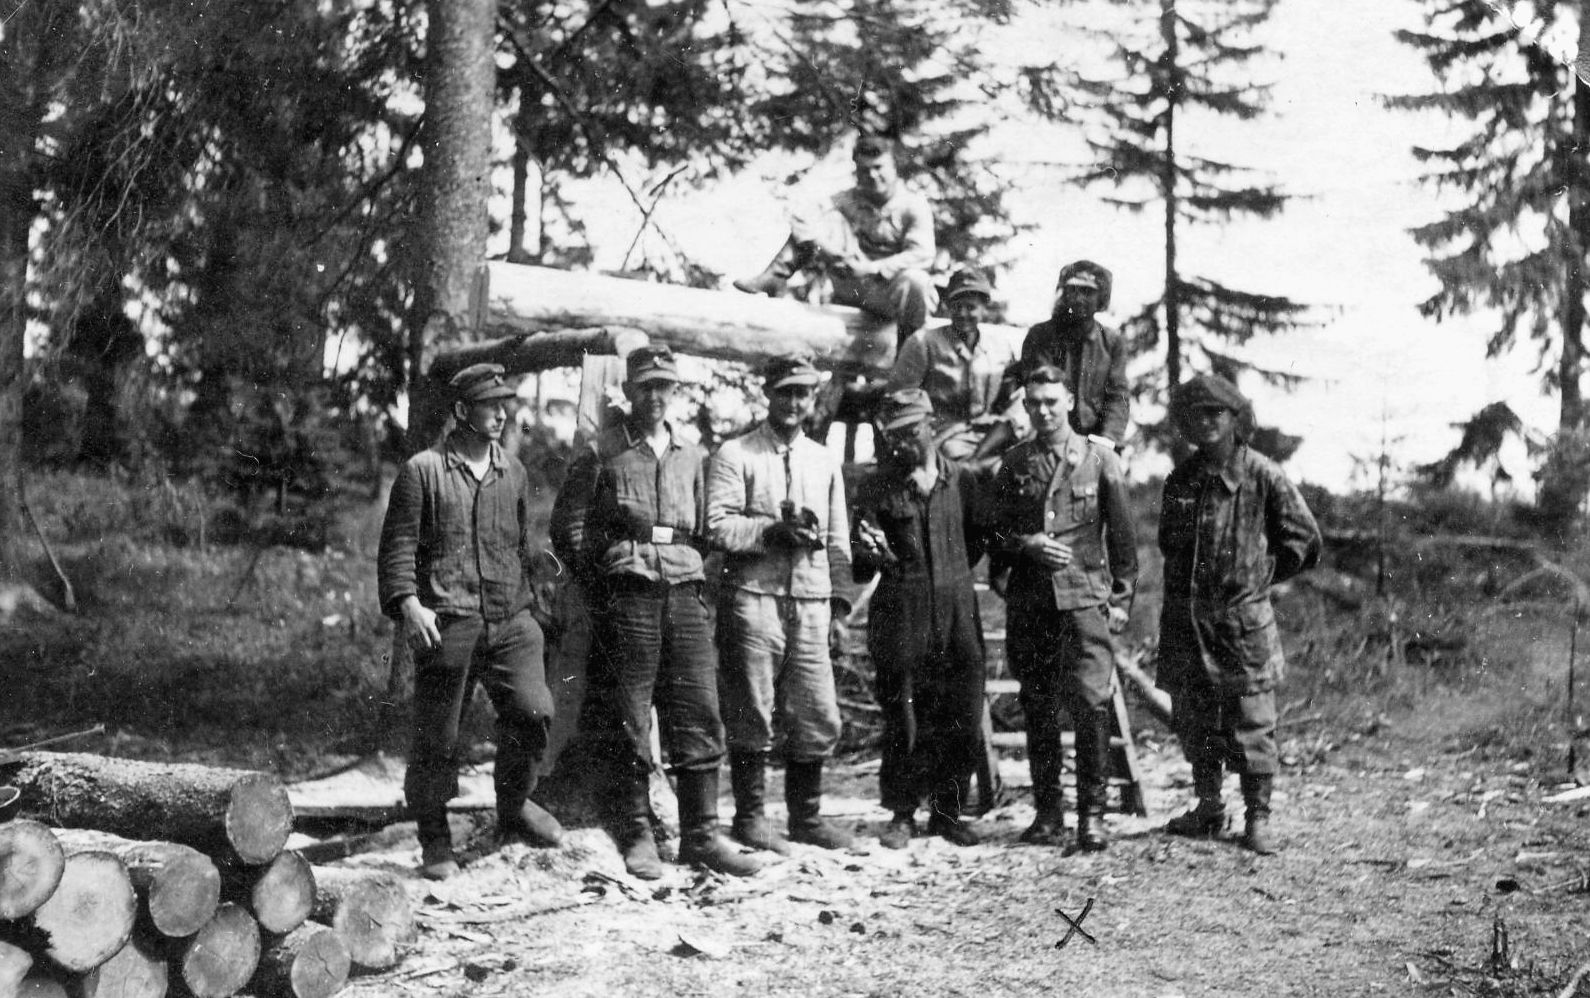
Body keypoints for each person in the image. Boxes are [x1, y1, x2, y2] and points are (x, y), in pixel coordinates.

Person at [549, 346, 760, 880]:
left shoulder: (692, 455)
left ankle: (702, 835)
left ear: (675, 392)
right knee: (630, 714)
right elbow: (568, 528)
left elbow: (706, 534)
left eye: (666, 386)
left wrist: (684, 567)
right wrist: (604, 583)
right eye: (646, 386)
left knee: (698, 707)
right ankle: (638, 830)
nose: (656, 396)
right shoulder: (603, 452)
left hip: (685, 591)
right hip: (629, 594)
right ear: (629, 391)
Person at [377, 363, 563, 881]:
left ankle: (513, 807)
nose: (502, 413)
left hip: (510, 616)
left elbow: (522, 544)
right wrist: (409, 604)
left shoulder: (515, 473)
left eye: (505, 403)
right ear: (462, 411)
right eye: (489, 404)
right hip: (448, 619)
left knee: (534, 709)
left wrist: (539, 596)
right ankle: (434, 839)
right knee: (439, 737)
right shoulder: (424, 471)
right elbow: (397, 550)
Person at [1156, 373, 1321, 855]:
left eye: (1217, 414)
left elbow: (1304, 540)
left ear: (1235, 419)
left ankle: (1257, 817)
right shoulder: (1180, 480)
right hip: (1188, 623)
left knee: (1252, 722)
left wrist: (1259, 577)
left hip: (1241, 624)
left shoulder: (1262, 474)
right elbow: (1170, 546)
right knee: (1193, 718)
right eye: (1197, 415)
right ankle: (1209, 806)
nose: (1206, 423)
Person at [706, 355, 857, 854]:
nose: (794, 403)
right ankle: (751, 817)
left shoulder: (823, 458)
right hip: (754, 597)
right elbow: (717, 525)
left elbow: (837, 537)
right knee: (752, 705)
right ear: (767, 395)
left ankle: (806, 817)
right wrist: (767, 531)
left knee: (815, 708)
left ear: (813, 400)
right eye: (785, 392)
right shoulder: (737, 454)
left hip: (812, 600)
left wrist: (839, 605)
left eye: (803, 394)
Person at [986, 366, 1138, 852]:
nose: (1043, 411)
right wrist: (1026, 543)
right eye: (1034, 403)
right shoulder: (1013, 463)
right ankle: (1048, 813)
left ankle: (1090, 817)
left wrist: (1120, 601)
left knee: (1092, 704)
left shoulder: (1099, 460)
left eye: (1052, 401)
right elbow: (995, 538)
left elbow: (1125, 541)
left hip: (1084, 602)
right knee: (1038, 703)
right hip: (1031, 603)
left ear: (1069, 401)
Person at [850, 389, 986, 848]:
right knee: (903, 711)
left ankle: (948, 812)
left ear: (931, 426)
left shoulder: (963, 480)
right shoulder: (875, 487)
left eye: (911, 432)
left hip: (956, 609)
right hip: (900, 609)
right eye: (894, 436)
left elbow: (978, 540)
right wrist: (864, 549)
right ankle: (902, 813)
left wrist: (948, 577)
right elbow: (861, 564)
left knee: (962, 709)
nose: (903, 444)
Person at [734, 136, 937, 347]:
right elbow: (801, 218)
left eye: (879, 167)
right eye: (864, 170)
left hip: (891, 296)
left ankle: (909, 358)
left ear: (895, 167)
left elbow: (922, 255)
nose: (872, 175)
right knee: (823, 218)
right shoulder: (847, 199)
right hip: (852, 286)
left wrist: (871, 268)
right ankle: (775, 276)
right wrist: (832, 252)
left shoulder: (913, 205)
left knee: (916, 281)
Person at [970, 260, 1131, 465]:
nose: (1079, 298)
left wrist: (1107, 439)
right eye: (1073, 290)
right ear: (1063, 294)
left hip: (1094, 436)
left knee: (1113, 475)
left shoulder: (1112, 342)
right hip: (1047, 429)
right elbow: (1041, 388)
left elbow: (1118, 396)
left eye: (1088, 292)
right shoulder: (1041, 335)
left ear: (1101, 298)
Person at [886, 267, 1021, 463]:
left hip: (988, 435)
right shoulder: (924, 343)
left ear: (984, 307)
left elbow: (1014, 396)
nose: (963, 314)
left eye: (971, 307)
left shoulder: (999, 347)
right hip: (940, 438)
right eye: (956, 306)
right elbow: (901, 399)